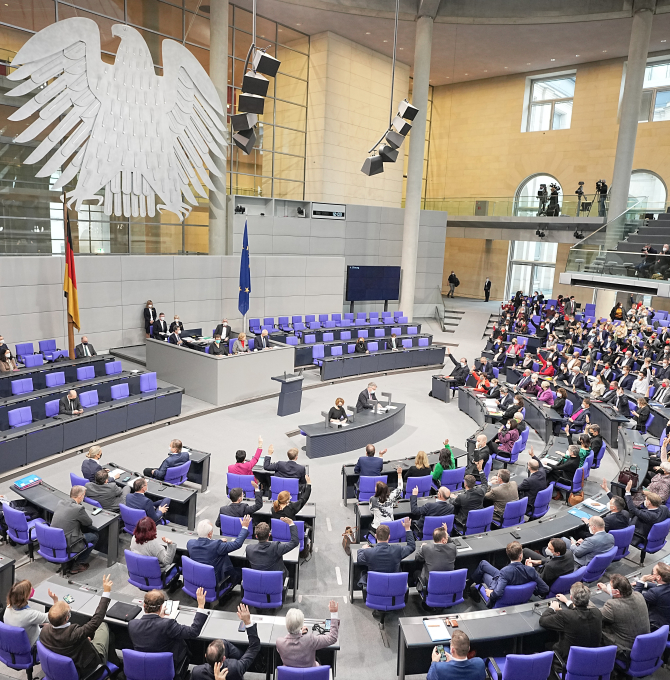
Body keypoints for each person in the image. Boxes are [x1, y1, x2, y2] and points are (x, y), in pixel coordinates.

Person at [39, 574, 114, 678]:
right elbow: (96, 620)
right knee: (103, 626)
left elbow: (54, 619)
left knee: (87, 638)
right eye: (69, 609)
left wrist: (55, 603)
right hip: (87, 669)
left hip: (60, 668)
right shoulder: (74, 633)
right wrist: (106, 592)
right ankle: (112, 666)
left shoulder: (44, 631)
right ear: (66, 618)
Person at [129, 587, 208, 680]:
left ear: (144, 606)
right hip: (168, 666)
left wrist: (159, 618)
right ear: (162, 607)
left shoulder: (132, 624)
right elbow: (194, 631)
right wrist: (201, 605)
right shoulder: (167, 624)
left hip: (143, 667)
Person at [192, 604, 260, 680]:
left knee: (224, 643)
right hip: (238, 663)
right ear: (224, 658)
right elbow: (254, 647)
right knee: (225, 644)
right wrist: (247, 622)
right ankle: (257, 663)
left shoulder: (196, 672)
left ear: (205, 656)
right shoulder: (235, 668)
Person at [471, 541, 549, 607]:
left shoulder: (505, 571)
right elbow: (544, 588)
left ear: (507, 554)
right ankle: (470, 587)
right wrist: (530, 590)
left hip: (505, 590)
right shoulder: (530, 570)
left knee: (485, 575)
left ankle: (469, 587)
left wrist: (491, 594)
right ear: (521, 555)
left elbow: (497, 594)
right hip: (518, 592)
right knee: (483, 564)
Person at [539, 582, 603, 662]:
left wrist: (552, 608)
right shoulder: (597, 612)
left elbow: (543, 621)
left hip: (569, 661)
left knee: (547, 645)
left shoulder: (566, 616)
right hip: (592, 658)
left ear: (571, 597)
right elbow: (581, 611)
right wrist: (567, 602)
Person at [357, 517, 416, 594]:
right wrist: (407, 529)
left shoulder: (368, 552)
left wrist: (362, 549)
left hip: (375, 588)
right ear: (389, 537)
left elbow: (359, 559)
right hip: (394, 588)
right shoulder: (397, 550)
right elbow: (411, 546)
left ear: (375, 536)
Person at [597, 574, 650, 657]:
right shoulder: (639, 595)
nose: (608, 587)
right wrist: (608, 591)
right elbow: (622, 598)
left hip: (626, 649)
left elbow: (595, 614)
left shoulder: (612, 606)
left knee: (597, 627)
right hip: (644, 644)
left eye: (610, 586)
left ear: (617, 592)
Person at [188, 517, 250, 586]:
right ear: (210, 534)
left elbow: (205, 543)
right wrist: (245, 527)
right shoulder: (218, 546)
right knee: (242, 572)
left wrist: (217, 541)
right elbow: (237, 544)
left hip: (197, 579)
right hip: (215, 583)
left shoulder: (190, 544)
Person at [276, 601, 340, 668]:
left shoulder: (279, 642)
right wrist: (334, 613)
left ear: (286, 624)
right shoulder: (310, 639)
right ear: (301, 625)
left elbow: (293, 644)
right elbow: (332, 638)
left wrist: (299, 632)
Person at [51, 486, 97, 574]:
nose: (83, 497)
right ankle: (78, 564)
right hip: (68, 542)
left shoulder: (61, 502)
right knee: (94, 536)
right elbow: (88, 523)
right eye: (83, 495)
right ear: (80, 496)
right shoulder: (78, 508)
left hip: (55, 539)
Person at [4, 580, 56, 646]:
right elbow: (53, 617)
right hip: (32, 643)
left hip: (14, 642)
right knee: (53, 629)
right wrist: (55, 600)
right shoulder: (30, 615)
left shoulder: (8, 607)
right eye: (30, 589)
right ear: (25, 596)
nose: (32, 589)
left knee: (45, 624)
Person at [415, 523, 456, 593]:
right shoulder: (453, 548)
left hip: (430, 584)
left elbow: (417, 558)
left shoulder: (426, 548)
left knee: (416, 573)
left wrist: (421, 547)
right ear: (443, 540)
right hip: (447, 583)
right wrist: (445, 533)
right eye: (447, 537)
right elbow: (451, 544)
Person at [633, 562, 670, 630]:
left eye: (653, 572)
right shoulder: (666, 585)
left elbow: (636, 599)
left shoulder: (654, 593)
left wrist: (642, 581)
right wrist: (644, 584)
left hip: (656, 626)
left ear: (658, 577)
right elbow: (661, 587)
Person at [369, 467, 403, 535]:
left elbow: (371, 511)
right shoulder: (392, 496)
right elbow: (400, 487)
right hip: (390, 527)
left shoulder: (373, 499)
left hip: (377, 528)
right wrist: (399, 474)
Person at [517, 448, 547, 516]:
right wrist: (532, 455)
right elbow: (540, 464)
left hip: (530, 503)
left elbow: (518, 488)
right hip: (538, 499)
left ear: (529, 467)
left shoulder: (528, 481)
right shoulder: (543, 472)